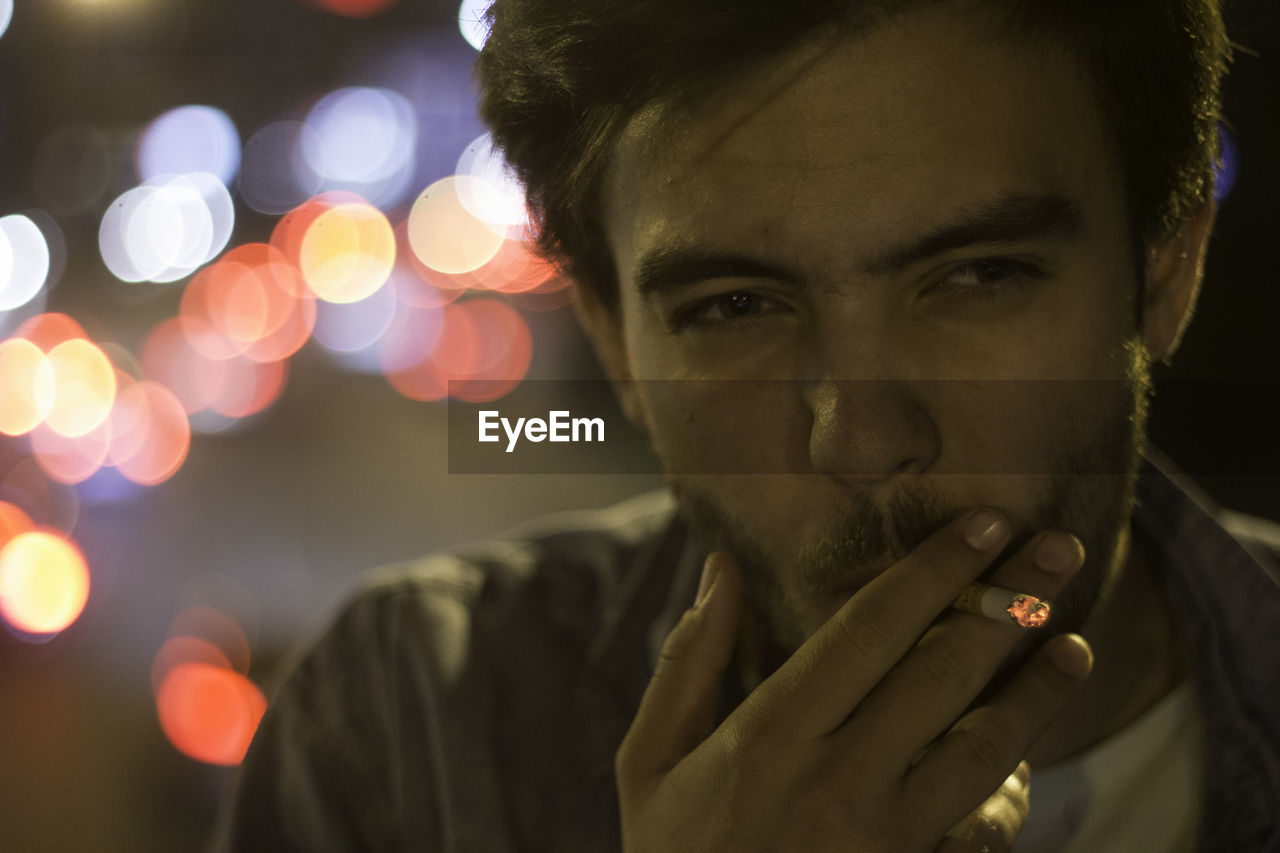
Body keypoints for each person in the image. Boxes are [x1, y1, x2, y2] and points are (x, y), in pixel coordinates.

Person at [220, 0, 1280, 850]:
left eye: (976, 277)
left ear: (1165, 268)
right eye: (733, 307)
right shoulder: (409, 721)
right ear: (618, 346)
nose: (858, 441)